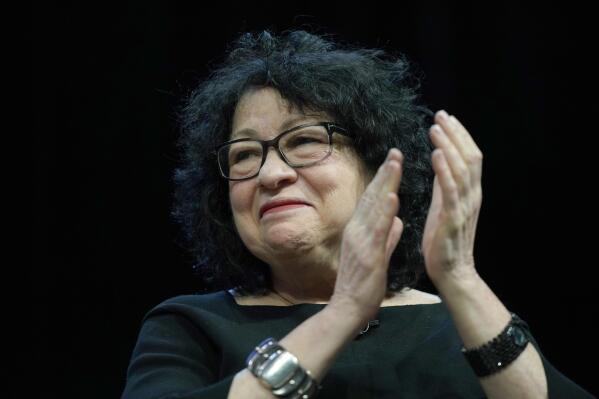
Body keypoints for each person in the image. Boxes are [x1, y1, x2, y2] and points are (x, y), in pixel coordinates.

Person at [121, 30, 594, 398]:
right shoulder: (188, 326)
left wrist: (458, 276)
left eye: (304, 141)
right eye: (245, 154)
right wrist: (343, 310)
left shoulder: (464, 323)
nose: (269, 174)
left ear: (378, 169)